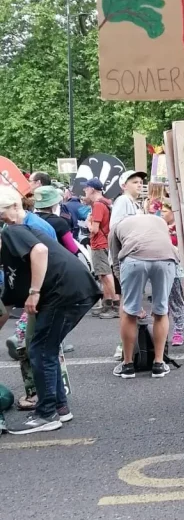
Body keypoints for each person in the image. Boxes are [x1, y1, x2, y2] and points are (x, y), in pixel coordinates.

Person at [0, 186, 101, 433]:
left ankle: (47, 414)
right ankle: (59, 408)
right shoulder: (20, 230)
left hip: (63, 292)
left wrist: (34, 292)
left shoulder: (13, 230)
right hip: (73, 289)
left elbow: (41, 250)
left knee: (40, 349)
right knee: (44, 348)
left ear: (14, 207)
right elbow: (9, 298)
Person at [110, 213, 177, 379]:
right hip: (166, 257)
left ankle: (127, 365)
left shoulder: (116, 227)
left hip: (133, 258)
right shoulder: (159, 221)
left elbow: (116, 262)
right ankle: (159, 364)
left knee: (129, 311)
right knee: (161, 310)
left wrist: (128, 294)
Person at [84, 179, 119, 318]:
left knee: (105, 273)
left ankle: (116, 305)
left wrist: (88, 222)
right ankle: (107, 303)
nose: (84, 191)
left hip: (99, 242)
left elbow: (94, 229)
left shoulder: (97, 205)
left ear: (92, 189)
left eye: (86, 188)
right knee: (103, 274)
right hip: (105, 241)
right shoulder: (105, 202)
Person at [160, 201, 184, 348]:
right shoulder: (159, 226)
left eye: (164, 211)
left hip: (177, 269)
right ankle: (162, 331)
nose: (162, 214)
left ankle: (178, 331)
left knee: (177, 301)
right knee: (162, 302)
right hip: (162, 267)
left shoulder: (180, 227)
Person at [33, 186, 79, 253]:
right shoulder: (59, 222)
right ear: (54, 203)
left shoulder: (31, 219)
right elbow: (73, 248)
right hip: (56, 259)